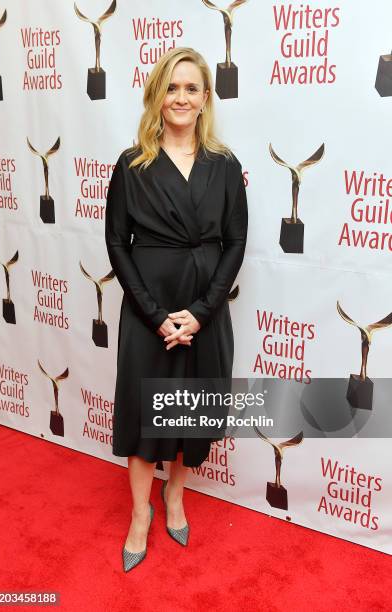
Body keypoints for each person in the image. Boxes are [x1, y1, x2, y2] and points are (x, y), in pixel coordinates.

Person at [105, 46, 248, 572]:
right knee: (146, 417)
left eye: (191, 87)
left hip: (204, 312)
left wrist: (202, 312)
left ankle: (175, 497)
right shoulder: (133, 164)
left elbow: (236, 243)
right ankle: (140, 514)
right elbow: (117, 243)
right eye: (172, 87)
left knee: (188, 413)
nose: (181, 97)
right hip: (149, 312)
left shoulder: (226, 165)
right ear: (157, 96)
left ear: (206, 97)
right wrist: (156, 314)